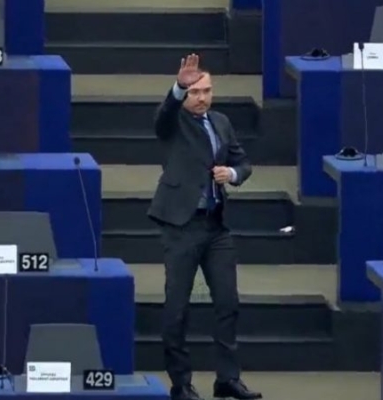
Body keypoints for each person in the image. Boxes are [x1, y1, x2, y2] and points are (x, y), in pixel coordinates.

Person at [148, 54, 262, 400]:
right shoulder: (174, 121)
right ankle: (181, 383)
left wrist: (233, 174)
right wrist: (178, 87)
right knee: (177, 309)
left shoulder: (222, 122)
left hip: (216, 225)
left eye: (207, 91)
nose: (202, 98)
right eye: (195, 92)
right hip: (181, 225)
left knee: (228, 303)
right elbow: (162, 117)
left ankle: (227, 379)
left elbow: (243, 162)